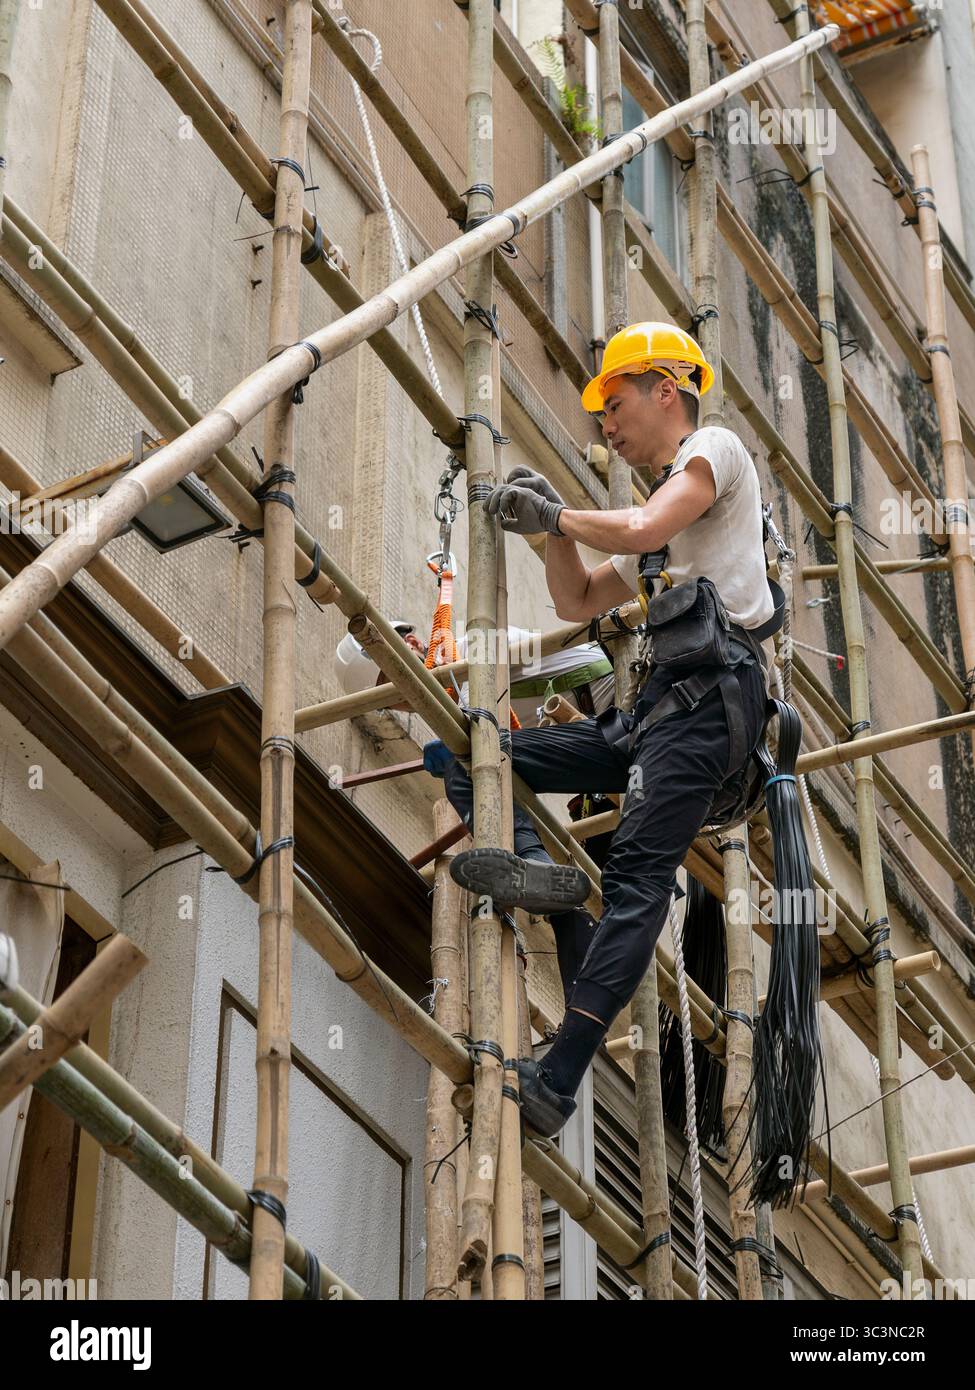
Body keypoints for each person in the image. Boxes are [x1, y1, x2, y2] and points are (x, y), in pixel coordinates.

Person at [441, 321, 780, 1136]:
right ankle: (549, 891)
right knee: (469, 750)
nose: (607, 426)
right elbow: (577, 600)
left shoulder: (717, 452)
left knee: (636, 882)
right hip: (653, 713)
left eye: (616, 404)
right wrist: (544, 534)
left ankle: (555, 1083)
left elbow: (634, 530)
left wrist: (558, 516)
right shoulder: (660, 521)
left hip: (710, 706)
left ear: (668, 390)